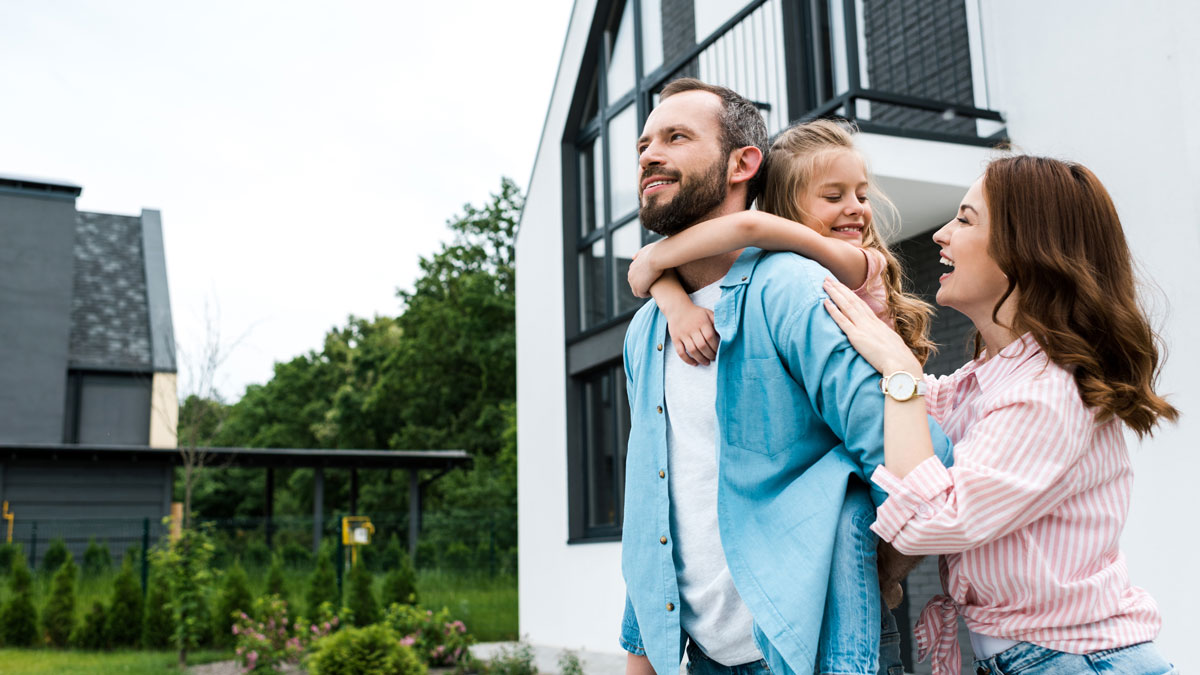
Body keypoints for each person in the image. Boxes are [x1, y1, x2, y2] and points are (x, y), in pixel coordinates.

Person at [619, 77, 952, 675]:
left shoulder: (797, 290)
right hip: (700, 659)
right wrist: (641, 653)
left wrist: (871, 576)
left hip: (819, 653)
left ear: (743, 163)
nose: (649, 154)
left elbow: (918, 461)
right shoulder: (645, 332)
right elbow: (654, 505)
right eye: (644, 143)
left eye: (675, 137)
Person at [822, 155, 1178, 675]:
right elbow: (921, 410)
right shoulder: (993, 378)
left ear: (1026, 249)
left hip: (1077, 663)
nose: (942, 234)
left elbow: (926, 520)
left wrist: (899, 369)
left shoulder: (1048, 392)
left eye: (965, 220)